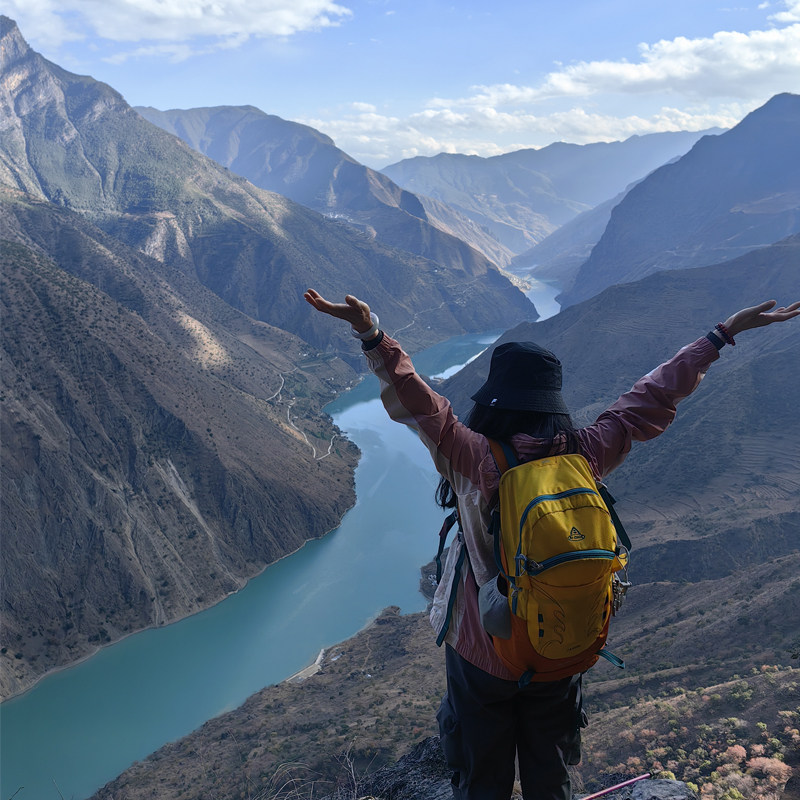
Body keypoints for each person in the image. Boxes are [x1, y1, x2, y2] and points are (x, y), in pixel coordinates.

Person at [303, 289, 800, 800]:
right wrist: (721, 336)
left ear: (493, 403)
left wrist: (372, 334)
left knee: (481, 775)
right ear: (553, 404)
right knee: (550, 771)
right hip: (562, 642)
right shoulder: (586, 453)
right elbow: (653, 396)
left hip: (484, 649)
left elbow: (417, 401)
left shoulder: (474, 457)